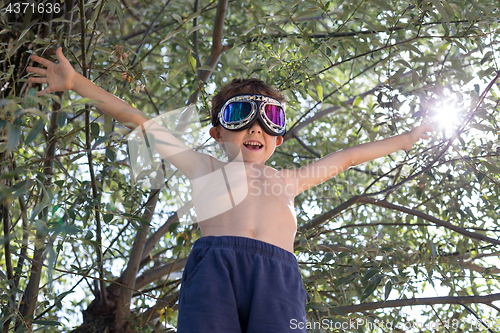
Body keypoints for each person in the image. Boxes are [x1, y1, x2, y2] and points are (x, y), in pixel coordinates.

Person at [28, 47, 433, 332]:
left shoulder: (289, 180)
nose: (255, 128)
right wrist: (76, 82)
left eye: (269, 118)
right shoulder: (204, 168)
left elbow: (347, 157)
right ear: (217, 132)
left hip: (278, 276)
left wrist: (407, 139)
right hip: (215, 271)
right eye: (240, 114)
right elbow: (141, 121)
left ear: (279, 137)